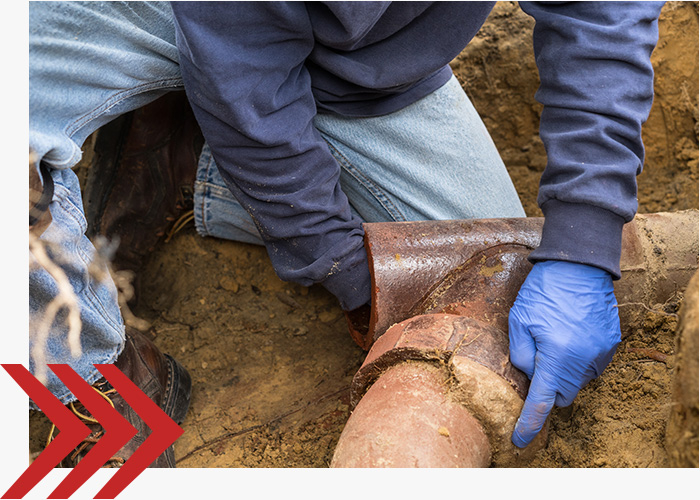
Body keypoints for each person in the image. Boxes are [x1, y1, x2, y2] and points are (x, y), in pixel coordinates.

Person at [29, 1, 664, 467]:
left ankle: (190, 160)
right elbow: (244, 73)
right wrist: (348, 272)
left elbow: (604, 13)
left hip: (352, 51)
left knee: (484, 283)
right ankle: (90, 378)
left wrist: (585, 240)